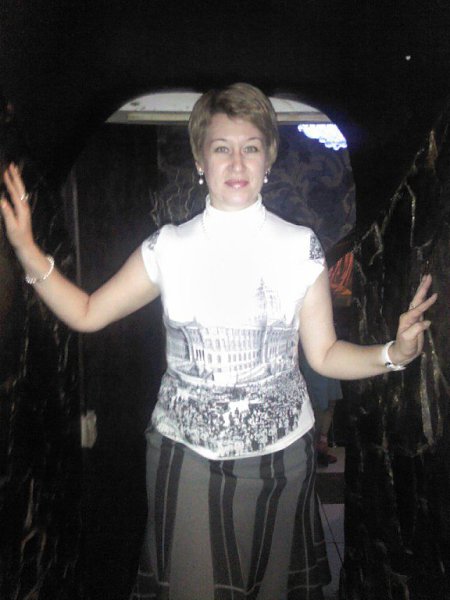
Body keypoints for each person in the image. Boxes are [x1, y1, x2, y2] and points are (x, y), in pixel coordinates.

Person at [1, 83, 437, 600]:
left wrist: (393, 354)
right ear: (200, 160)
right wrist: (29, 253)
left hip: (284, 457)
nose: (236, 162)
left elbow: (324, 355)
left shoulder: (300, 247)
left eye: (251, 147)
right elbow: (88, 313)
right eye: (221, 147)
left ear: (268, 159)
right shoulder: (169, 247)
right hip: (188, 458)